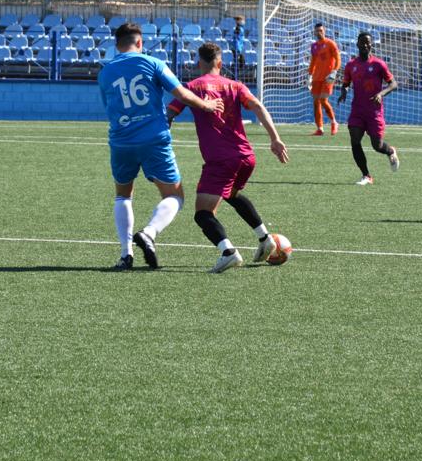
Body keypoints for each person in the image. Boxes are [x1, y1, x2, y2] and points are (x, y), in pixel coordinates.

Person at [98, 22, 223, 270]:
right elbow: (181, 93)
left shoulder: (105, 73)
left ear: (116, 45)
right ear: (140, 43)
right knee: (175, 195)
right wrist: (207, 106)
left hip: (121, 140)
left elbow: (109, 107)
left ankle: (126, 255)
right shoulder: (152, 63)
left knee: (123, 194)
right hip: (154, 138)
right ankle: (149, 232)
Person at [166, 41, 289, 273]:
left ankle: (228, 252)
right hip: (246, 157)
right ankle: (265, 238)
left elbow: (170, 113)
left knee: (203, 214)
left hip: (221, 161)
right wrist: (275, 138)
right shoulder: (236, 85)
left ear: (199, 63)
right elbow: (258, 107)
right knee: (232, 194)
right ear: (220, 63)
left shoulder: (192, 86)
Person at [337, 32, 399, 185]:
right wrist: (343, 90)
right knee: (355, 139)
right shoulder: (351, 65)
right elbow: (345, 83)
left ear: (371, 45)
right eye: (362, 42)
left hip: (374, 111)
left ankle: (390, 151)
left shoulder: (379, 64)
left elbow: (393, 84)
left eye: (368, 42)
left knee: (377, 145)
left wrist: (381, 93)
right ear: (357, 44)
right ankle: (366, 175)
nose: (365, 45)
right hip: (357, 110)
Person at [307, 22, 341, 136]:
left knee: (323, 100)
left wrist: (334, 71)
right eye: (317, 31)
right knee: (316, 102)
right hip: (316, 77)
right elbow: (313, 62)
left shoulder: (331, 44)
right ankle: (320, 128)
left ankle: (334, 122)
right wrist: (309, 75)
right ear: (314, 32)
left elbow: (338, 59)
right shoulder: (314, 46)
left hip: (328, 77)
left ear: (324, 31)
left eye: (321, 30)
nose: (319, 32)